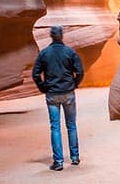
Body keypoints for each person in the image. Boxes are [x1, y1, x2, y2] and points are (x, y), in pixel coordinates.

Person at [32, 25, 84, 171]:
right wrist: (74, 84)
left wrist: (43, 87)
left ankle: (59, 162)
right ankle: (74, 157)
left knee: (55, 127)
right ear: (62, 35)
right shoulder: (70, 52)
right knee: (71, 125)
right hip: (68, 93)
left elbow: (35, 74)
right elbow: (79, 71)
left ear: (51, 36)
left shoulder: (44, 54)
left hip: (52, 94)